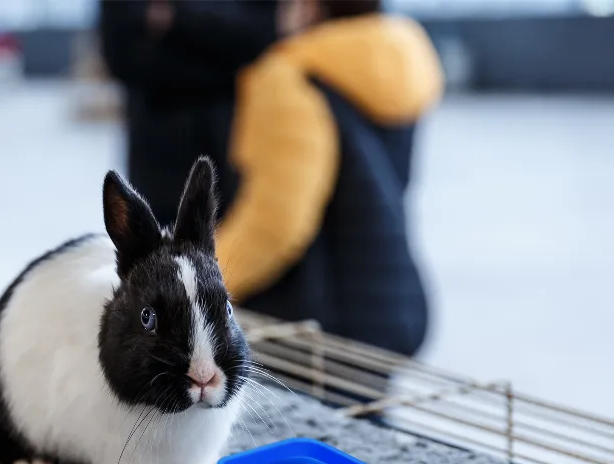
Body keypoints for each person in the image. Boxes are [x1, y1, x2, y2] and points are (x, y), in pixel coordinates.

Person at [216, 0, 444, 357]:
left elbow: (275, 225)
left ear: (309, 8)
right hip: (387, 301)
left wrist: (201, 278)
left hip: (313, 323)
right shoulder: (399, 62)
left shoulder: (290, 76)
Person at [98, 0, 280, 227]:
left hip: (234, 153)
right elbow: (121, 54)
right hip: (156, 159)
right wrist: (217, 61)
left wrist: (176, 21)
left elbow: (260, 39)